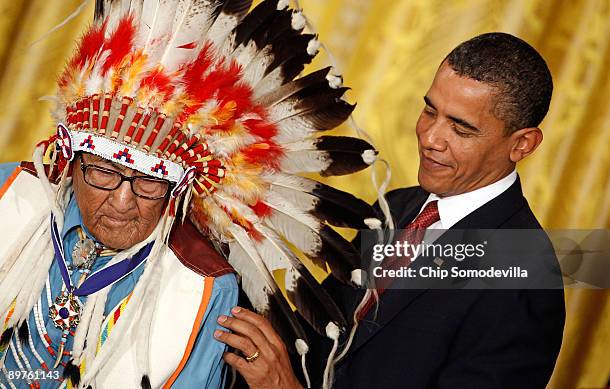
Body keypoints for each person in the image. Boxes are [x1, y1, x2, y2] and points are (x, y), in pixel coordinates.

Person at [0, 0, 379, 387]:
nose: (122, 200)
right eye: (103, 171)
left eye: (150, 180)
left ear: (179, 189)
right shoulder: (8, 196)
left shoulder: (200, 286)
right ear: (70, 159)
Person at [216, 32, 566, 389]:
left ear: (522, 144)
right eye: (430, 111)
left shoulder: (526, 279)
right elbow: (318, 332)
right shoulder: (396, 207)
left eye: (461, 128)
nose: (430, 138)